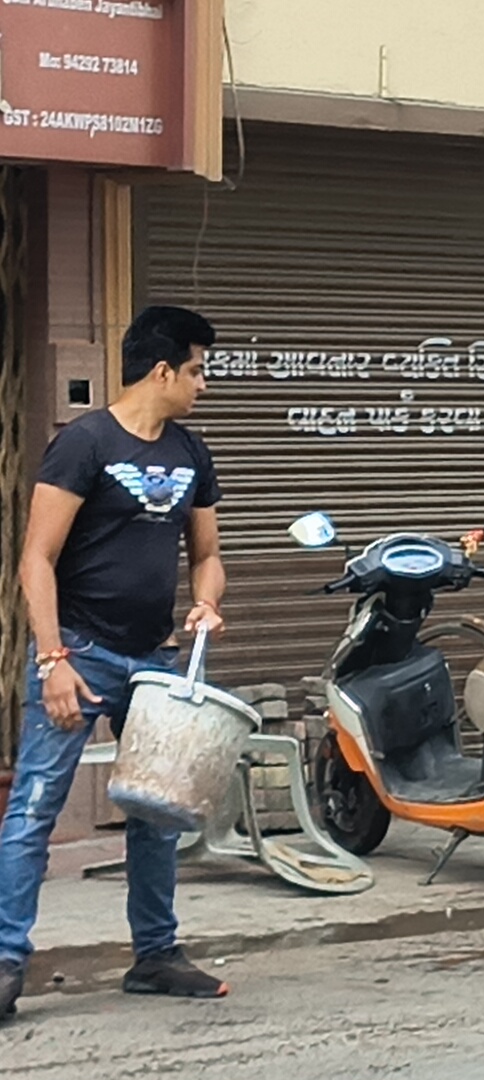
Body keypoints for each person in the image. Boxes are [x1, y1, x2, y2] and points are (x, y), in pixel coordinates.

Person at [0, 307, 230, 1022]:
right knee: (34, 808)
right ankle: (6, 961)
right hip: (82, 652)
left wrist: (205, 603)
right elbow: (35, 559)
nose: (203, 385)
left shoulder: (191, 452)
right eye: (196, 370)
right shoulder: (84, 444)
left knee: (158, 811)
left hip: (155, 660)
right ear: (162, 370)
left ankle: (155, 956)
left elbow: (209, 556)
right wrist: (53, 661)